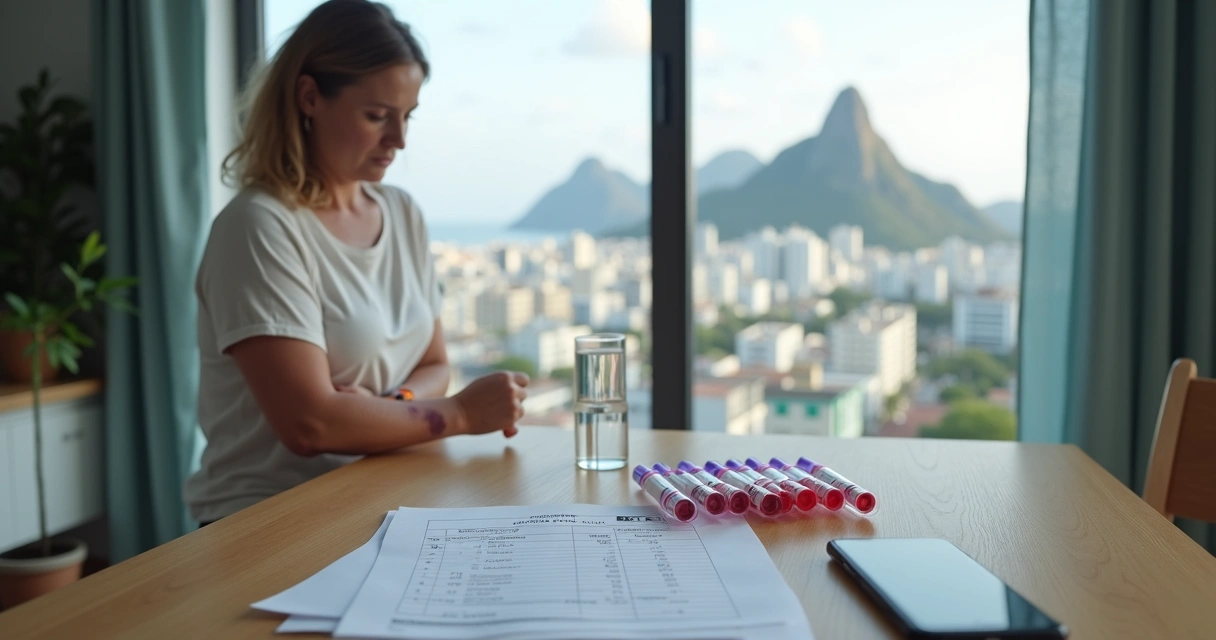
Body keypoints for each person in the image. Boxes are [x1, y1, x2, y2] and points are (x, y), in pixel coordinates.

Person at [184, 0, 527, 525]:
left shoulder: (400, 212)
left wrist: (392, 404)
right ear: (309, 97)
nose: (399, 141)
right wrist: (458, 413)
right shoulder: (259, 227)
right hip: (268, 522)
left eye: (407, 116)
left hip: (378, 496)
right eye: (377, 116)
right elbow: (312, 426)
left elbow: (434, 363)